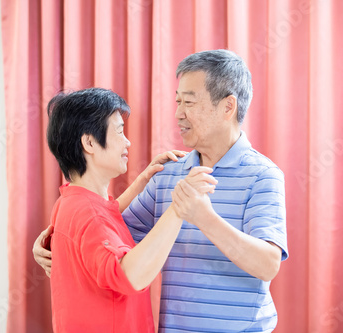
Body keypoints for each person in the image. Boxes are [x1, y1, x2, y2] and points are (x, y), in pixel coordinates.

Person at [35, 50, 288, 332]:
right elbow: (109, 232)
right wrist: (57, 240)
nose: (178, 113)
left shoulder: (263, 176)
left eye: (189, 102)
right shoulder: (168, 174)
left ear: (228, 107)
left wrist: (203, 217)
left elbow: (268, 264)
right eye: (178, 101)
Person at [43, 87, 216, 332]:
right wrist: (180, 206)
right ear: (89, 142)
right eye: (119, 132)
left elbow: (107, 213)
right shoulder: (88, 213)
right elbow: (130, 275)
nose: (128, 142)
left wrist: (142, 180)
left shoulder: (70, 202)